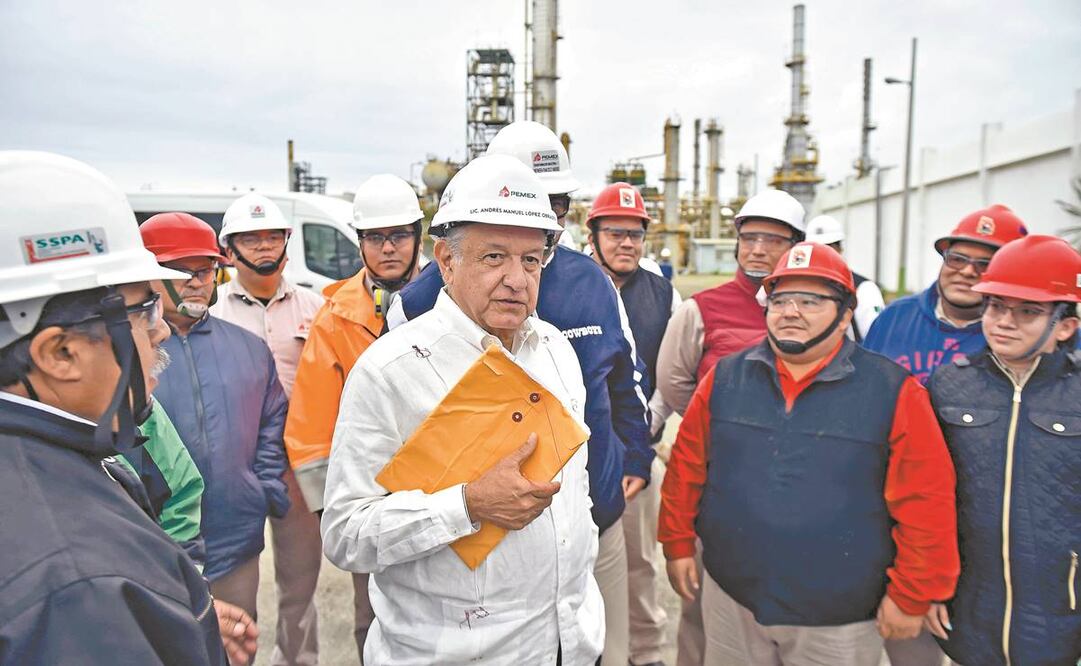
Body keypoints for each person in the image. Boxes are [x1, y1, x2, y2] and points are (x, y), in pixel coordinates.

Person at [321, 154, 604, 664]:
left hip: (570, 644)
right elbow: (346, 535)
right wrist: (466, 505)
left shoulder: (558, 352)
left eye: (531, 260)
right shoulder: (390, 371)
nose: (517, 279)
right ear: (445, 261)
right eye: (494, 257)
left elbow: (575, 497)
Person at [390, 122, 652, 666]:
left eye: (556, 203)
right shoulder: (418, 301)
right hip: (482, 543)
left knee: (603, 649)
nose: (544, 215)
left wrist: (636, 458)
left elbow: (626, 382)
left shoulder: (591, 283)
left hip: (593, 523)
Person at [0, 150, 254, 665]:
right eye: (142, 310)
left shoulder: (62, 458)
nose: (159, 328)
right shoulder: (77, 586)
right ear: (60, 353)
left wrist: (181, 616)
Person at [659, 241, 960, 665]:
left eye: (810, 300)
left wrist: (912, 595)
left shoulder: (894, 391)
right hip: (733, 600)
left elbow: (927, 501)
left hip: (838, 619)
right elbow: (686, 470)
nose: (791, 310)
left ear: (845, 314)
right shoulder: (725, 378)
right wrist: (676, 544)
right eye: (779, 299)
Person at [654, 187, 805, 665]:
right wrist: (720, 428)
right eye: (750, 238)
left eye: (773, 240)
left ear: (795, 246)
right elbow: (675, 381)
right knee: (703, 612)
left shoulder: (815, 306)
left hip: (797, 487)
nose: (758, 249)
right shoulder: (703, 309)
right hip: (720, 483)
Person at [285, 173, 424, 660]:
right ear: (360, 241)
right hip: (371, 496)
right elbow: (311, 419)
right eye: (375, 237)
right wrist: (332, 510)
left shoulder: (449, 298)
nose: (388, 248)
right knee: (374, 618)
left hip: (445, 485)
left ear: (418, 235)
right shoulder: (336, 316)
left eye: (399, 235)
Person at [926, 235, 1081, 665]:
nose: (1004, 322)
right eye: (996, 306)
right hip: (970, 611)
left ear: (1065, 325)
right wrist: (930, 586)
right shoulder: (949, 385)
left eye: (1028, 311)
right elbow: (930, 499)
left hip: (1062, 616)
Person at [141, 211, 290, 623]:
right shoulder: (125, 356)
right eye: (179, 269)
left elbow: (272, 423)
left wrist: (261, 489)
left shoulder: (249, 348)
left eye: (205, 269)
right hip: (153, 551)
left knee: (238, 647)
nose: (196, 280)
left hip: (236, 545)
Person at [210, 193, 325, 666]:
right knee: (233, 587)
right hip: (234, 466)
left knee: (300, 583)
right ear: (229, 250)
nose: (263, 247)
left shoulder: (317, 309)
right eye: (250, 238)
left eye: (271, 236)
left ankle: (298, 661)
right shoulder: (212, 312)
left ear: (286, 242)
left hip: (297, 467)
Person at [587, 182, 681, 666]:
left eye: (636, 234)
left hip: (636, 457)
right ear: (594, 234)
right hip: (578, 454)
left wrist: (648, 426)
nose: (627, 242)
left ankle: (645, 653)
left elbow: (672, 373)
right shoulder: (574, 284)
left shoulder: (664, 293)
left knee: (640, 563)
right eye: (616, 232)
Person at [863, 204, 1028, 382]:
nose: (967, 271)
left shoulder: (1019, 335)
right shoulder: (894, 317)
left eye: (984, 264)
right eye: (957, 259)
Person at [804, 214, 884, 341]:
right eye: (815, 249)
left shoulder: (864, 289)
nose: (822, 255)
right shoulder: (799, 286)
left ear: (840, 249)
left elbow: (877, 338)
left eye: (828, 248)